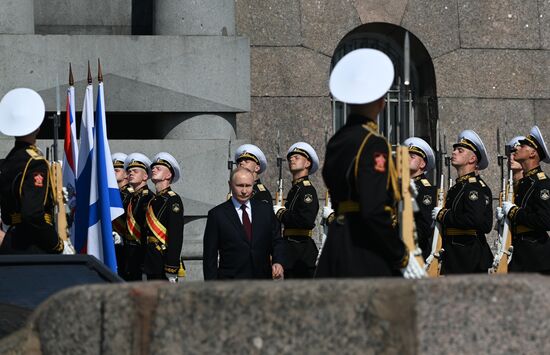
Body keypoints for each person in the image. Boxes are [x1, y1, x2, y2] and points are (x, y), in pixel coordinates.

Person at [315, 48, 424, 279]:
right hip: (364, 249)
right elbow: (373, 209)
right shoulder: (373, 143)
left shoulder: (338, 140)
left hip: (337, 242)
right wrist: (401, 256)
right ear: (382, 102)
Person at [0, 88, 64, 254]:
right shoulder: (35, 163)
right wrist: (55, 243)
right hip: (33, 245)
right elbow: (32, 214)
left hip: (12, 240)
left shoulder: (9, 161)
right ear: (37, 127)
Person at [203, 167, 285, 280]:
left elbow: (276, 240)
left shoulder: (265, 210)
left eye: (248, 186)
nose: (244, 191)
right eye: (240, 186)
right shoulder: (217, 215)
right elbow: (209, 256)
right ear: (230, 185)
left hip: (262, 280)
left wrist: (278, 261)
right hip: (231, 281)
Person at [432, 130, 493, 274]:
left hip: (467, 257)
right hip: (455, 255)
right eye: (454, 149)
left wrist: (444, 215)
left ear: (472, 159)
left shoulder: (474, 187)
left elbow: (476, 220)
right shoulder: (459, 187)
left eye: (460, 150)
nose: (454, 152)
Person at [498, 126, 550, 273]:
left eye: (523, 145)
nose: (518, 147)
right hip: (520, 253)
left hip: (536, 257)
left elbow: (545, 220)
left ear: (532, 153)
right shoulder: (524, 183)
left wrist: (514, 212)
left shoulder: (542, 183)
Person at [273, 142, 320, 278]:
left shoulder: (306, 190)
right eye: (290, 158)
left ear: (307, 164)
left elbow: (305, 220)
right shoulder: (295, 189)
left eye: (297, 157)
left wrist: (282, 213)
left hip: (302, 253)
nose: (291, 159)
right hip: (291, 252)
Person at [143, 152, 185, 282]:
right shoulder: (153, 200)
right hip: (151, 261)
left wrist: (171, 267)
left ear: (168, 175)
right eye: (153, 168)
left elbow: (176, 235)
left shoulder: (173, 200)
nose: (153, 169)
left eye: (158, 168)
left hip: (163, 260)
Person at [403, 137, 437, 261]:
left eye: (412, 156)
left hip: (414, 252)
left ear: (422, 164)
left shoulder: (426, 190)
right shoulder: (398, 185)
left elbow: (423, 228)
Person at [122, 152, 154, 281]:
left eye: (135, 171)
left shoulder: (149, 198)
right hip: (129, 252)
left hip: (142, 253)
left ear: (145, 176)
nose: (131, 173)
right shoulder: (130, 198)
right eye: (129, 171)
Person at [111, 152, 133, 276]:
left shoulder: (130, 195)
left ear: (126, 174)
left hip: (125, 243)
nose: (113, 172)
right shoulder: (113, 194)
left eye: (117, 170)